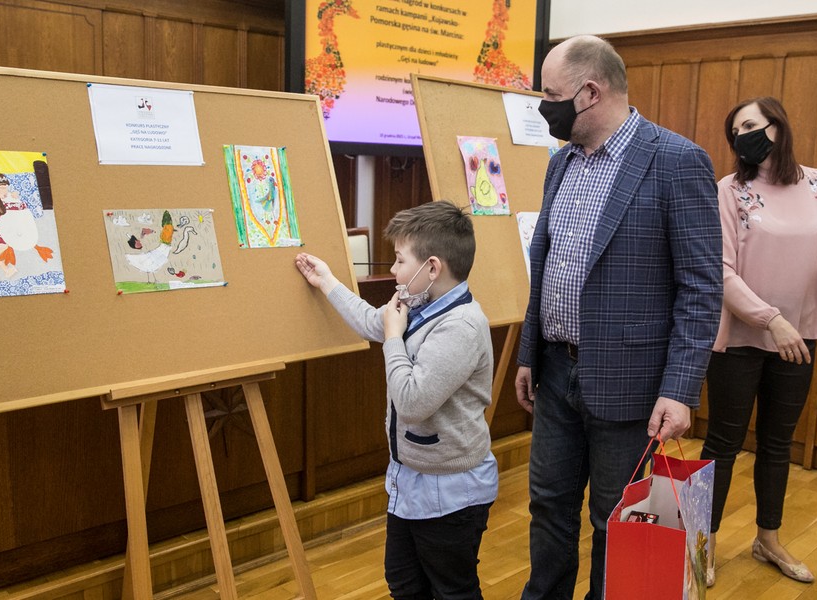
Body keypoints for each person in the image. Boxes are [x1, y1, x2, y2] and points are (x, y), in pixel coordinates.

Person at [514, 35, 723, 599]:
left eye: (551, 95)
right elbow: (548, 261)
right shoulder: (561, 164)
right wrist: (528, 352)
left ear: (589, 92)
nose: (544, 106)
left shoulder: (677, 161)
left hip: (632, 385)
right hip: (556, 372)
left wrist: (680, 389)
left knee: (616, 519)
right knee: (549, 505)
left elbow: (701, 288)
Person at [296, 200, 498, 599]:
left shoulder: (460, 326)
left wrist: (392, 337)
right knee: (404, 582)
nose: (392, 270)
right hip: (412, 480)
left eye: (399, 260)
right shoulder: (421, 303)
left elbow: (411, 401)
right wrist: (328, 282)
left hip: (451, 492)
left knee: (452, 589)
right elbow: (375, 320)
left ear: (432, 268)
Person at [700, 96, 817, 587]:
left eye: (750, 124)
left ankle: (767, 538)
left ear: (778, 125)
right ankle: (701, 544)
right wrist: (771, 319)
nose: (742, 136)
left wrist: (795, 322)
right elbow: (720, 271)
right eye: (735, 131)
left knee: (777, 444)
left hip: (802, 338)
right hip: (742, 338)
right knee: (723, 444)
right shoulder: (729, 191)